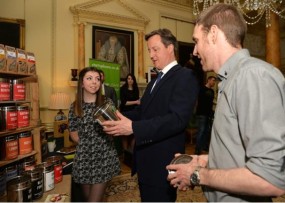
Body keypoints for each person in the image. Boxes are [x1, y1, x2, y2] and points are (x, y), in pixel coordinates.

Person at [166, 3, 285, 202]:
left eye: (196, 41)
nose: (194, 51)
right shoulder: (231, 79)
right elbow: (237, 152)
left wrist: (198, 175)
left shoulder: (253, 77)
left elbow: (269, 179)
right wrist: (203, 160)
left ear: (214, 34)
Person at [101, 28, 199, 201]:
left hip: (162, 162)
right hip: (145, 160)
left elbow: (177, 119)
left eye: (155, 49)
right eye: (149, 50)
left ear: (170, 48)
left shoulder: (185, 76)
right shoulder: (155, 80)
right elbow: (142, 110)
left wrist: (133, 127)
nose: (151, 55)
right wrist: (117, 116)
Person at [68, 67, 120, 202]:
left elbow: (116, 127)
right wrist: (86, 145)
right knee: (89, 199)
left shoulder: (106, 103)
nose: (94, 82)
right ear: (82, 83)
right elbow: (73, 133)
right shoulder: (74, 106)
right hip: (84, 158)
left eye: (97, 79)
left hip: (104, 157)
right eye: (89, 78)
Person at [194, 75, 216, 154]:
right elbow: (196, 100)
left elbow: (210, 102)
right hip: (201, 114)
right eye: (213, 80)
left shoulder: (212, 91)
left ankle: (204, 147)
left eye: (214, 81)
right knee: (201, 131)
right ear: (208, 80)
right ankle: (197, 150)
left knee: (207, 131)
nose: (214, 82)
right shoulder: (201, 89)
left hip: (209, 114)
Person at [120, 73, 140, 152]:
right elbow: (124, 103)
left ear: (134, 80)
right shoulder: (123, 89)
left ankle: (131, 152)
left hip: (134, 113)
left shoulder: (136, 89)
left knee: (133, 134)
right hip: (125, 113)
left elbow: (138, 101)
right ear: (126, 80)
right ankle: (125, 152)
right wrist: (135, 102)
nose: (130, 80)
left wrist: (137, 103)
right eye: (128, 78)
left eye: (131, 79)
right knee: (124, 134)